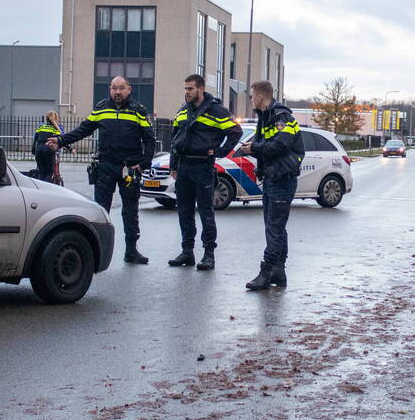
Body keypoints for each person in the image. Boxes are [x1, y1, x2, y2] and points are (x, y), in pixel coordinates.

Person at [46, 77, 155, 264]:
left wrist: (144, 164)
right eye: (114, 88)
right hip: (105, 165)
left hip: (130, 167)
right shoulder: (101, 108)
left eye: (121, 88)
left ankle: (131, 250)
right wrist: (61, 140)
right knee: (100, 210)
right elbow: (83, 130)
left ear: (129, 89)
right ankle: (95, 253)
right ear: (110, 89)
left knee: (130, 211)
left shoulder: (139, 110)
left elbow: (150, 139)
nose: (117, 92)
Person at [166, 74, 242, 271]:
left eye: (190, 89)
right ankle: (187, 251)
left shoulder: (216, 111)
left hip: (202, 166)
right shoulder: (183, 111)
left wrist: (219, 152)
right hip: (183, 166)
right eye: (185, 89)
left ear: (200, 88)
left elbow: (236, 132)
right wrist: (173, 165)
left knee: (206, 212)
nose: (187, 92)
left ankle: (209, 254)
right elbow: (175, 139)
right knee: (184, 211)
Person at [239, 80, 304, 290]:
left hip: (282, 178)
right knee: (276, 227)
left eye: (251, 96)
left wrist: (254, 148)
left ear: (260, 96)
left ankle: (266, 272)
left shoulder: (280, 117)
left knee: (274, 228)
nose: (250, 100)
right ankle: (279, 271)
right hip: (272, 177)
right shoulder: (266, 117)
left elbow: (280, 144)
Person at [32, 111, 63, 183]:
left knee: (41, 172)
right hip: (48, 150)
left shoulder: (41, 127)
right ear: (56, 119)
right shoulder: (56, 129)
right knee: (49, 172)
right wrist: (70, 149)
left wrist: (33, 150)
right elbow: (60, 140)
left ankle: (39, 189)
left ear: (46, 118)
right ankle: (46, 189)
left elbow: (35, 139)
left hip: (38, 150)